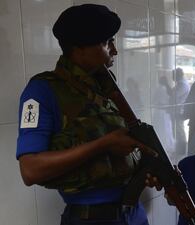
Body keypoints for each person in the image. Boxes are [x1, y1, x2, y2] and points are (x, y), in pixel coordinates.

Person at [16, 4, 159, 225]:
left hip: (133, 214)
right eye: (106, 42)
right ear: (79, 48)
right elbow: (30, 170)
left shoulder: (106, 88)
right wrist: (103, 144)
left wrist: (147, 167)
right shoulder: (41, 91)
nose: (115, 50)